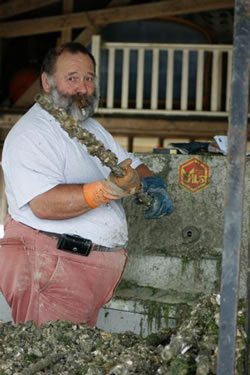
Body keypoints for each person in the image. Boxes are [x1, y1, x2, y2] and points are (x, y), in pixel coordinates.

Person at [0, 42, 173, 326]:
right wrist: (106, 191)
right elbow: (44, 204)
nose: (83, 88)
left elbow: (130, 162)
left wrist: (152, 183)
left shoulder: (90, 128)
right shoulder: (31, 134)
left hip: (78, 270)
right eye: (72, 78)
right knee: (53, 364)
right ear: (46, 82)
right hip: (51, 268)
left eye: (89, 78)